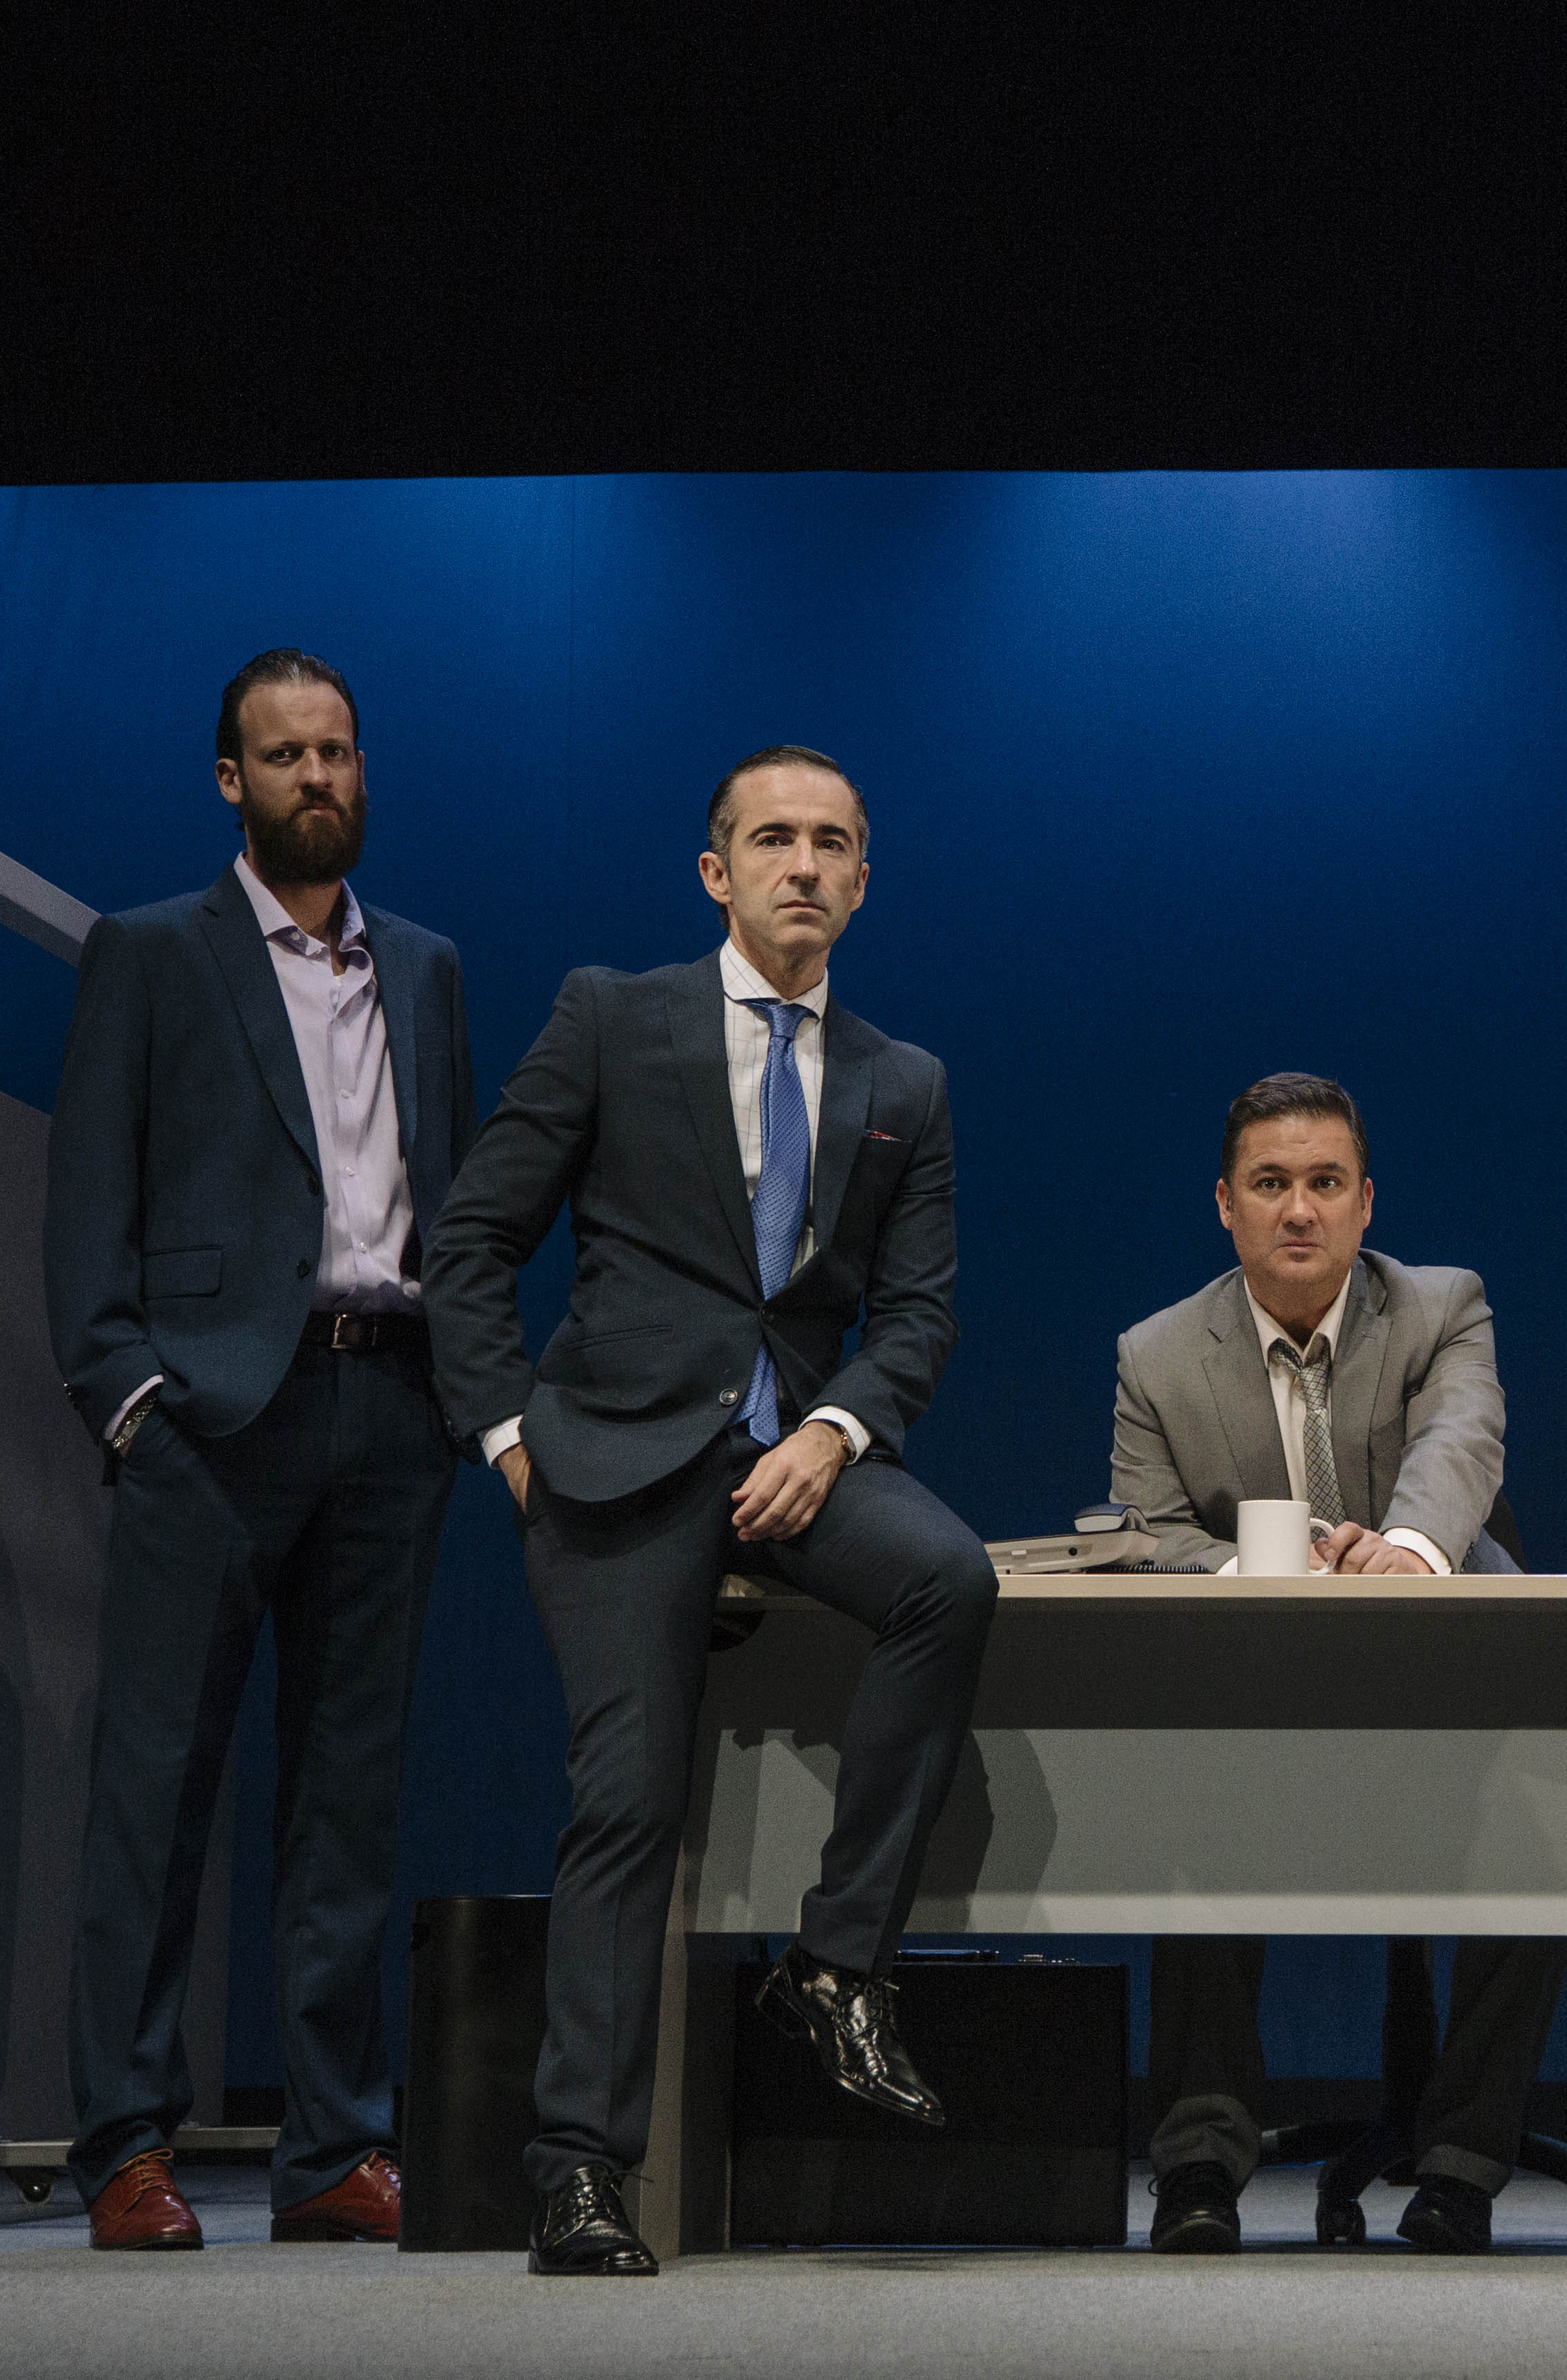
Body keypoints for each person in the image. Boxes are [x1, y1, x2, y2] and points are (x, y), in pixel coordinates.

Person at [425, 743, 996, 2277]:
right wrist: (506, 1434)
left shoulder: (904, 1080)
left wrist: (833, 1427)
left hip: (792, 1453)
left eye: (832, 843)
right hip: (611, 1454)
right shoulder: (613, 1017)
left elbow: (917, 1314)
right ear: (715, 871)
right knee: (630, 1798)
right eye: (773, 839)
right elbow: (471, 1242)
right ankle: (579, 2171)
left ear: (864, 878)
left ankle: (835, 1964)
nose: (803, 864)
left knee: (949, 1578)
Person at [46, 649, 474, 2250]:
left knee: (347, 1800)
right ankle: (125, 2142)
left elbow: (453, 1193)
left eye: (337, 750)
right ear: (232, 778)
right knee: (155, 1792)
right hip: (213, 1417)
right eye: (285, 755)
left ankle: (331, 2148)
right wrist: (127, 1396)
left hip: (386, 1407)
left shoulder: (423, 966)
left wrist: (457, 1391)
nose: (317, 777)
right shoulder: (153, 950)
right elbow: (90, 1198)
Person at [1113, 1070, 1566, 2257]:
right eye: (1271, 1184)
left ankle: (1460, 2167)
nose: (1300, 1209)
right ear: (1227, 1205)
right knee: (1190, 1817)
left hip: (1453, 1698)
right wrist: (1258, 1569)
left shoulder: (1442, 1306)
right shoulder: (1158, 1356)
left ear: (1367, 1203)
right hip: (1259, 1707)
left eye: (1326, 1183)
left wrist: (1408, 1550)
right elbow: (1146, 1536)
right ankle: (1199, 2165)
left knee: (1549, 1843)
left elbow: (1462, 1443)